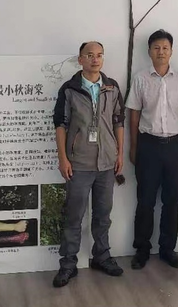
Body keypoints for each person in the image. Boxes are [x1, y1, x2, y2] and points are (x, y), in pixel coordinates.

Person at [52, 41, 125, 288]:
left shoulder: (112, 87)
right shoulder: (70, 89)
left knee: (103, 215)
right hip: (79, 163)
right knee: (74, 216)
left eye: (99, 55)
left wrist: (119, 154)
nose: (95, 59)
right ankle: (68, 264)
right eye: (90, 55)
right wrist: (63, 158)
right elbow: (60, 124)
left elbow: (118, 122)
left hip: (106, 163)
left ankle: (102, 256)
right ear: (80, 59)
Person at [126, 29, 178, 270]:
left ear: (171, 51)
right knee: (145, 201)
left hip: (176, 146)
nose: (161, 52)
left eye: (165, 48)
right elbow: (133, 114)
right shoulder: (140, 78)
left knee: (172, 201)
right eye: (156, 48)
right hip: (148, 145)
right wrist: (133, 147)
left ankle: (167, 249)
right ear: (149, 52)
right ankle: (142, 249)